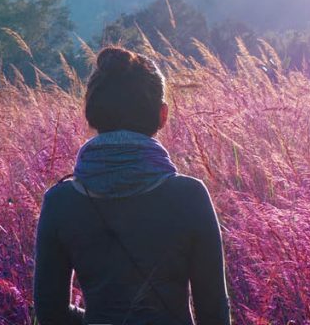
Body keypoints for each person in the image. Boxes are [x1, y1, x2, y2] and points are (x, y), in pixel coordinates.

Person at [34, 47, 231, 325]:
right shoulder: (190, 197)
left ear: (90, 115)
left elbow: (50, 315)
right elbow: (214, 315)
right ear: (163, 115)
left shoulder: (60, 201)